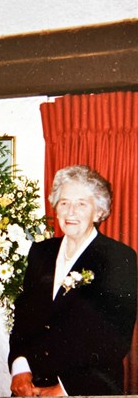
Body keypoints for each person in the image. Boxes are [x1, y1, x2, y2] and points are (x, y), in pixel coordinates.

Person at [8, 164, 137, 396]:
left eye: (81, 204)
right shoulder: (41, 252)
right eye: (64, 202)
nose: (70, 212)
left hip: (87, 387)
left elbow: (115, 339)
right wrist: (20, 368)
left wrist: (64, 389)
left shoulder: (119, 258)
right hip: (33, 384)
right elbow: (24, 316)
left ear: (98, 212)